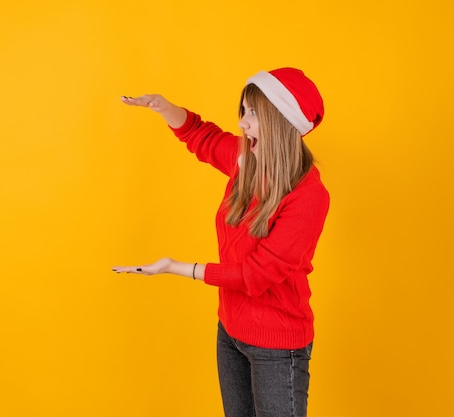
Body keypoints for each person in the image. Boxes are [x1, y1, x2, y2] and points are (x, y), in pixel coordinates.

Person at [112, 67, 329, 417]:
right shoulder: (248, 162)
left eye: (254, 113)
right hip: (230, 332)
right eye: (243, 111)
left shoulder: (309, 196)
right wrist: (163, 107)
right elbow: (202, 136)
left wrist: (175, 268)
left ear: (281, 121)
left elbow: (258, 275)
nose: (243, 123)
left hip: (276, 344)